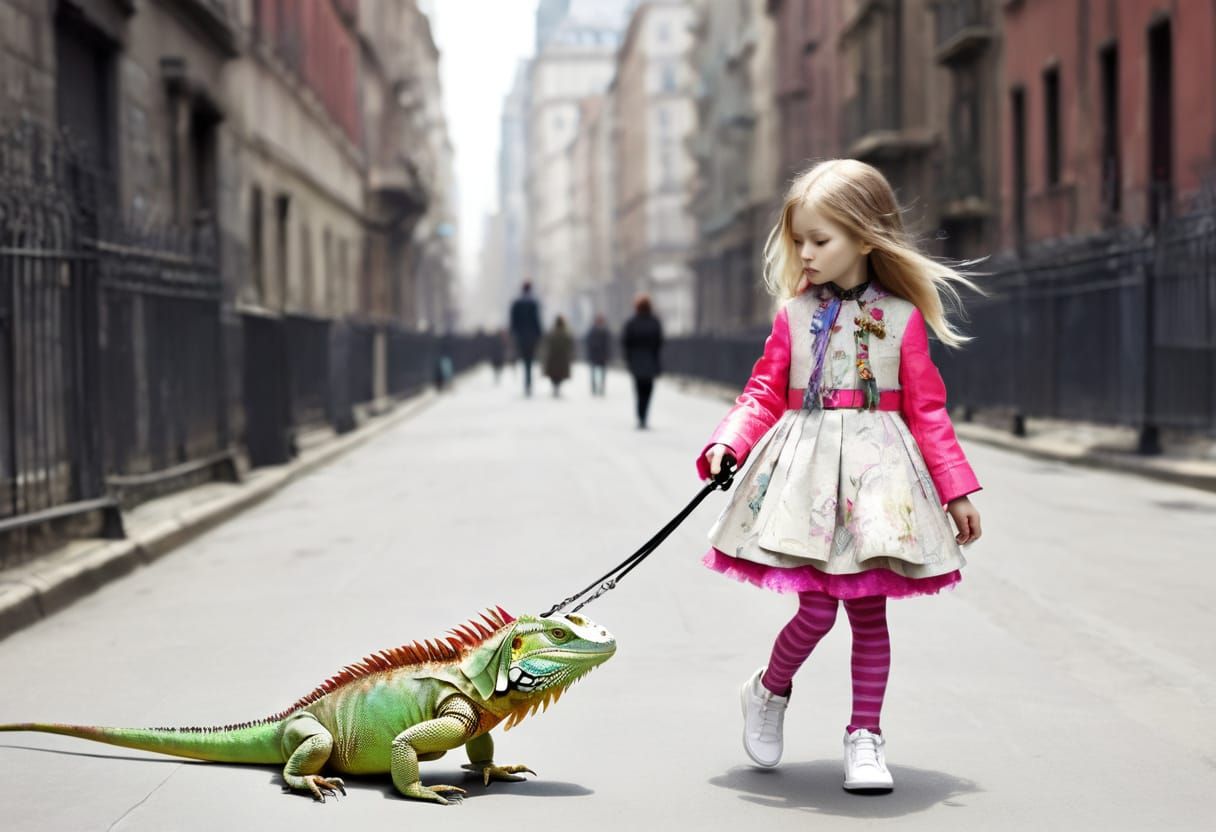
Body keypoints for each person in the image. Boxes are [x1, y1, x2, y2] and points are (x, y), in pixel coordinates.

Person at [697, 159, 983, 793]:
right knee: (818, 610)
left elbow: (928, 410)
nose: (805, 253)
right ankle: (768, 690)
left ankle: (865, 736)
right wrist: (728, 442)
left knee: (870, 613)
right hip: (810, 479)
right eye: (799, 240)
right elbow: (763, 391)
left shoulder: (903, 318)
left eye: (819, 240)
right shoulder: (793, 315)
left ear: (865, 237)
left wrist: (957, 489)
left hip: (880, 481)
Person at [622, 294, 663, 428]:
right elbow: (659, 342)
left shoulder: (631, 323)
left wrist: (628, 359)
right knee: (648, 390)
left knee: (639, 390)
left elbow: (626, 342)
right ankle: (644, 415)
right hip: (650, 360)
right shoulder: (654, 322)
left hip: (636, 361)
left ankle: (640, 415)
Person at [509, 282, 543, 396]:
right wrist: (539, 335)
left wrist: (513, 334)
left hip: (521, 337)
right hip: (532, 337)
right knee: (529, 360)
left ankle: (527, 382)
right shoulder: (534, 303)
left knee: (525, 360)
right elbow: (537, 321)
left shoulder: (516, 303)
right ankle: (528, 383)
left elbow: (513, 322)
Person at [541, 315, 574, 397]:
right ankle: (557, 387)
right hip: (561, 358)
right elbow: (569, 345)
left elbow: (547, 343)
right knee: (558, 376)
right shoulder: (566, 333)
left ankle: (556, 387)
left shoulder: (552, 332)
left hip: (553, 358)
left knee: (554, 376)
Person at [585, 314, 611, 396]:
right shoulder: (593, 331)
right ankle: (594, 388)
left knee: (602, 373)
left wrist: (607, 354)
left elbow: (608, 344)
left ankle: (601, 388)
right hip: (595, 355)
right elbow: (589, 343)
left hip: (602, 356)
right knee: (593, 373)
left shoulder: (604, 331)